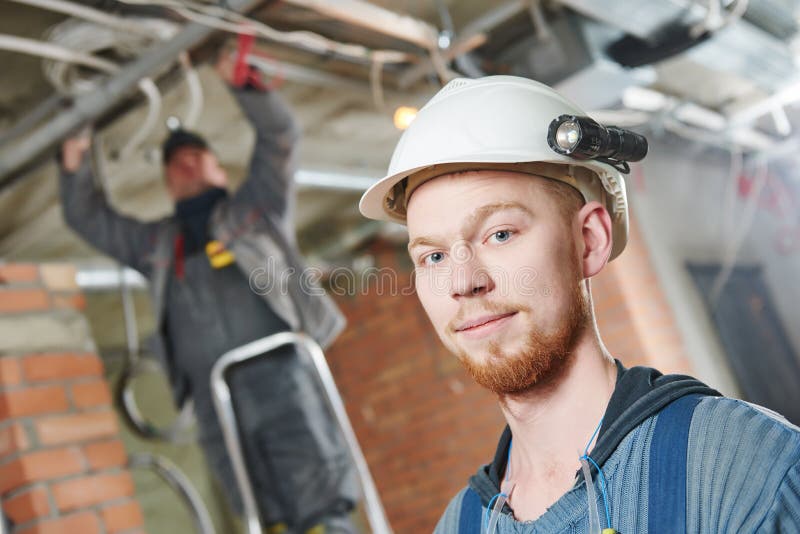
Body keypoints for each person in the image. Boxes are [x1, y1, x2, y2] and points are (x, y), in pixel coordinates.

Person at [359, 75, 800, 533]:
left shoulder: (739, 468)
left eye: (501, 234)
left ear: (589, 240)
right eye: (433, 256)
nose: (464, 281)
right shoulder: (461, 524)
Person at [59, 53, 359, 534]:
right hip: (214, 398)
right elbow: (88, 219)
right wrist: (73, 159)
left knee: (319, 502)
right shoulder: (156, 245)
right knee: (258, 510)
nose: (188, 162)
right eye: (177, 162)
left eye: (200, 155)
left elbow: (281, 137)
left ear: (221, 171)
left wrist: (240, 82)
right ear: (165, 183)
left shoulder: (256, 212)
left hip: (283, 378)